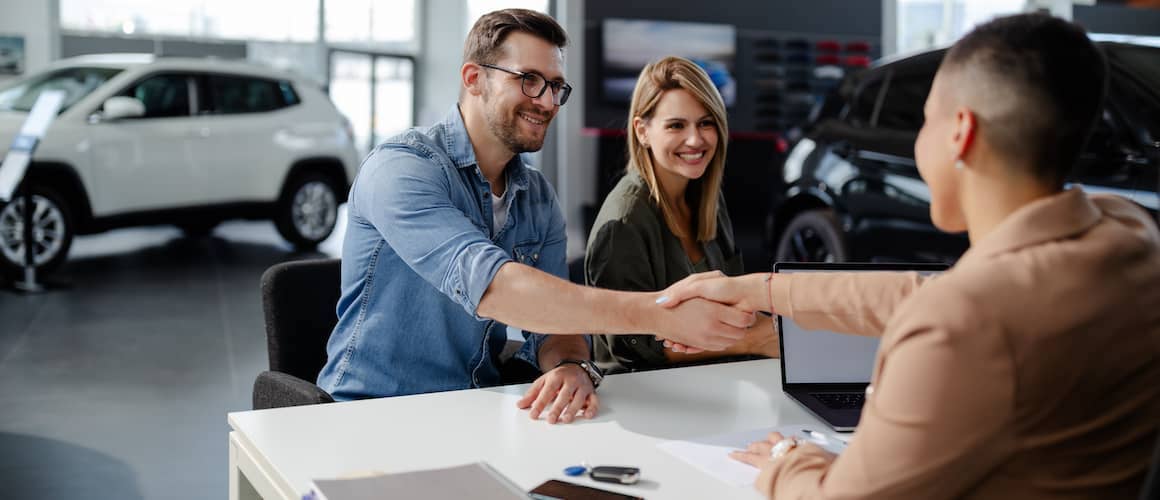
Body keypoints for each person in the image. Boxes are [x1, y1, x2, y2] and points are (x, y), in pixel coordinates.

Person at [659, 13, 1160, 498]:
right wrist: (758, 289)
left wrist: (788, 460)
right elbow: (925, 293)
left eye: (923, 121)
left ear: (960, 133)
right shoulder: (1127, 231)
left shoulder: (964, 324)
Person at [317, 9, 754, 425]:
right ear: (474, 78)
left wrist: (569, 365)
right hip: (372, 413)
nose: (546, 101)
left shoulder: (537, 197)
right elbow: (497, 289)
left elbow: (555, 330)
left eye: (555, 86)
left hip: (474, 409)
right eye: (529, 80)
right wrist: (661, 316)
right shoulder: (403, 169)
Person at [585, 56, 777, 373]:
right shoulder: (624, 222)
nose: (695, 140)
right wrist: (755, 341)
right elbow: (632, 349)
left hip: (716, 381)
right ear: (642, 131)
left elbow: (734, 302)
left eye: (706, 122)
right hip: (646, 399)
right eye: (676, 125)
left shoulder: (708, 200)